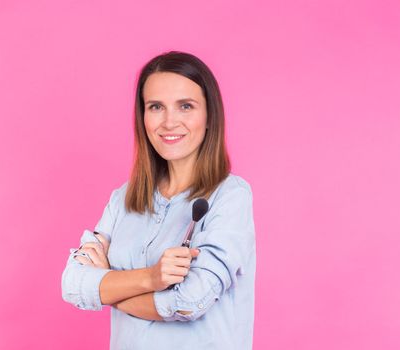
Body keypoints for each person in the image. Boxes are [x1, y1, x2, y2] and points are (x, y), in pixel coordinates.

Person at [61, 50, 256, 350]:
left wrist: (107, 287)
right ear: (143, 116)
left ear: (209, 117)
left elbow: (190, 301)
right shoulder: (123, 199)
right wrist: (151, 279)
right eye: (156, 107)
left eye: (186, 106)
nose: (169, 122)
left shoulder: (230, 196)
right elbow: (73, 285)